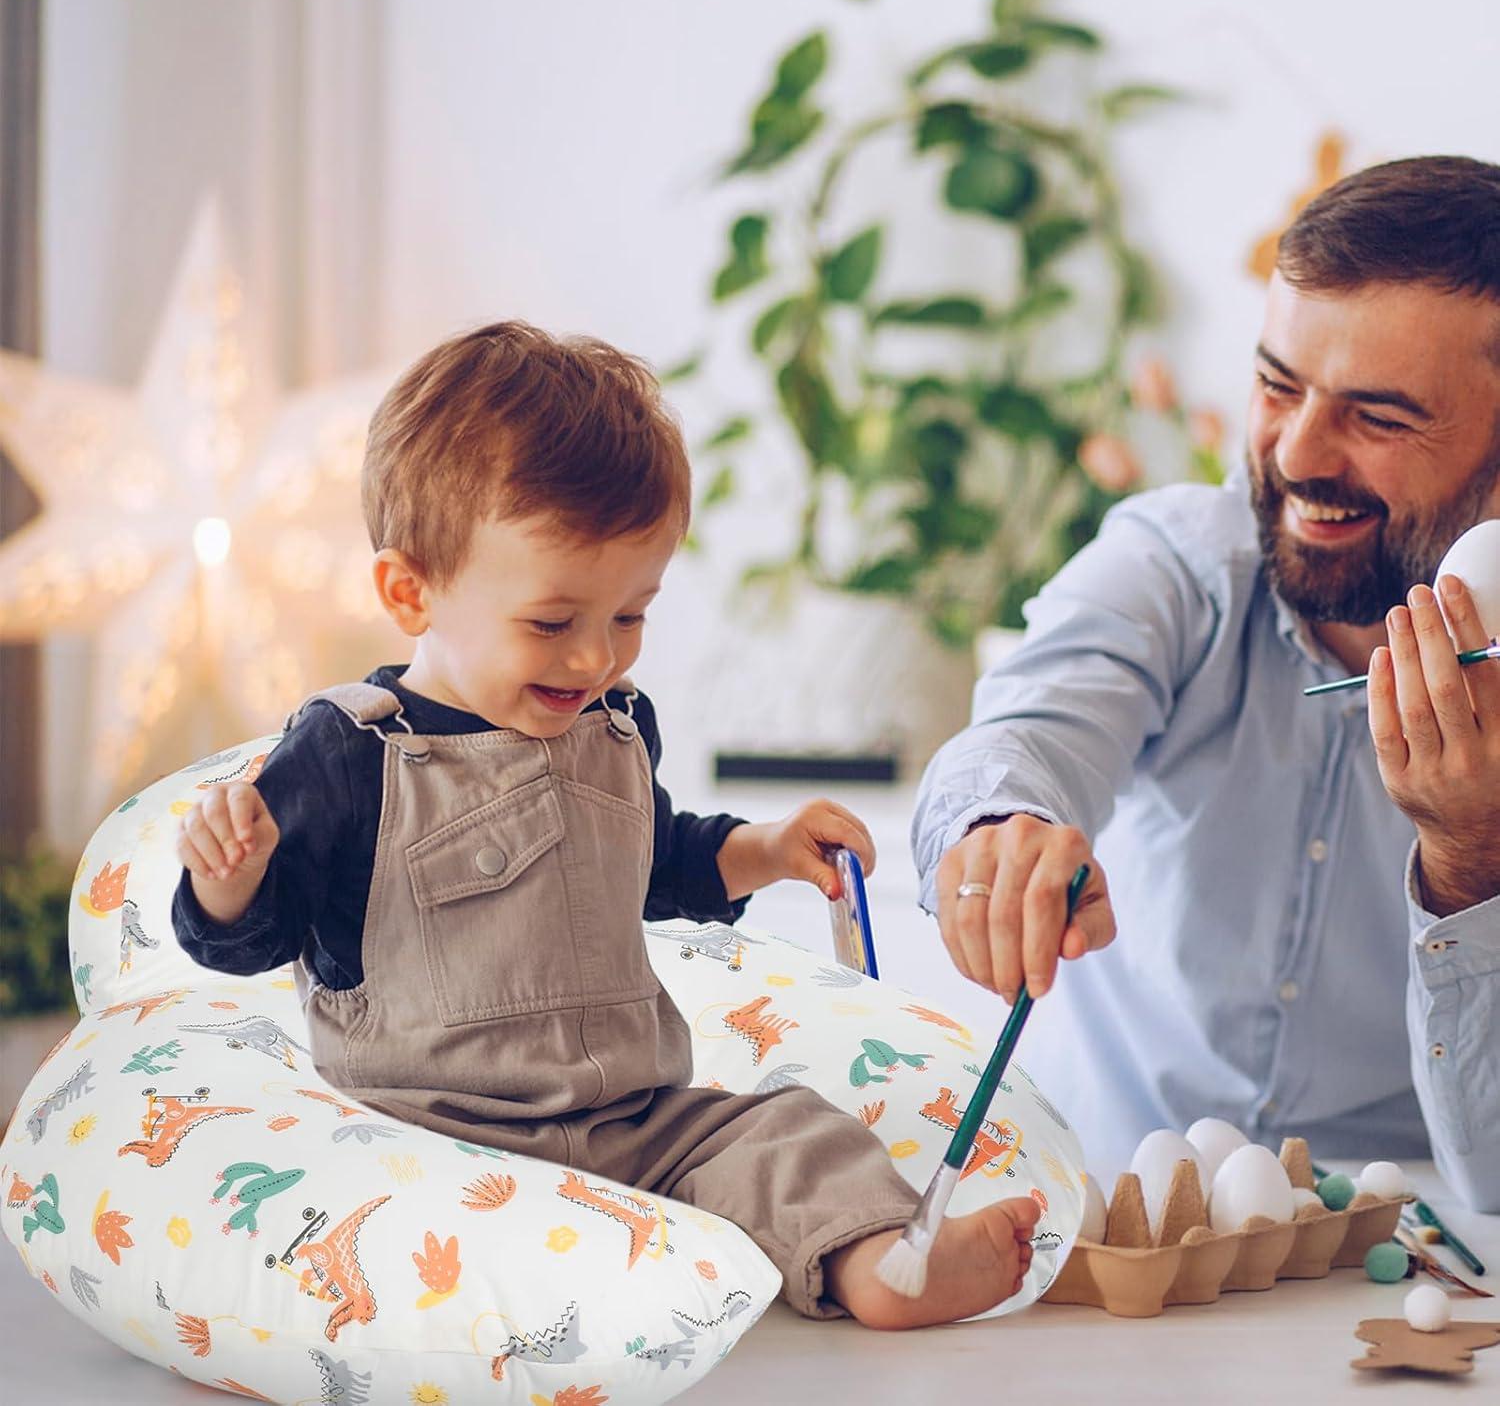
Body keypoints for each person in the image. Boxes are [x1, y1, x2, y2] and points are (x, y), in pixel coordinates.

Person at [172, 320, 1041, 1327]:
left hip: (634, 1120)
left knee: (792, 1135)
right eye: (552, 623)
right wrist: (228, 879)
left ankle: (886, 1268)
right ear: (411, 590)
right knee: (377, 1220)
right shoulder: (349, 753)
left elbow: (655, 856)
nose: (595, 661)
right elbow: (252, 934)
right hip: (430, 1137)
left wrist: (764, 850)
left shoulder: (616, 730)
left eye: (630, 617)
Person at [913, 156, 1500, 1210]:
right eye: (1278, 385)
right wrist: (995, 825)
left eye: (1378, 416)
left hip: (1396, 1241)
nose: (1296, 452)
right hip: (1103, 1222)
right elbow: (1027, 733)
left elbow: (1498, 1184)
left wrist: (1470, 862)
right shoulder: (1181, 562)